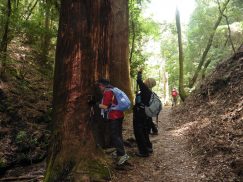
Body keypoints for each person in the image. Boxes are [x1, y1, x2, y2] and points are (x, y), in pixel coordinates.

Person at [97, 79, 129, 165]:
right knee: (118, 135)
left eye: (99, 85)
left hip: (114, 116)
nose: (99, 87)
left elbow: (105, 106)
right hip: (120, 115)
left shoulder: (108, 92)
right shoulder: (114, 89)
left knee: (115, 136)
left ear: (103, 85)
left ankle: (122, 155)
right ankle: (120, 152)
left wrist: (95, 104)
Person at [133, 69, 156, 157]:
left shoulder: (145, 89)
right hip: (145, 114)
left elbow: (139, 80)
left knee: (139, 132)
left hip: (140, 114)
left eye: (146, 80)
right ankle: (148, 147)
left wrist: (139, 72)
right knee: (145, 131)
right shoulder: (150, 92)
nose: (144, 81)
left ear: (147, 83)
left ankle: (143, 152)